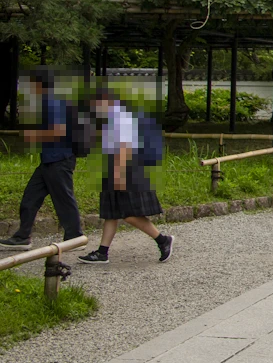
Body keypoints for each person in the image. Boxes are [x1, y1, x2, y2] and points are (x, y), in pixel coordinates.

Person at [78, 88, 172, 264]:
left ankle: (162, 240)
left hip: (126, 169)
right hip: (114, 167)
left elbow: (124, 148)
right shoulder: (110, 118)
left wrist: (118, 174)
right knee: (111, 212)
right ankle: (102, 252)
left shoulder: (120, 118)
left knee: (128, 213)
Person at [0, 69, 83, 250]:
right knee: (30, 197)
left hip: (59, 159)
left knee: (63, 199)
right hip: (49, 159)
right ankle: (22, 236)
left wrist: (34, 134)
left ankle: (75, 237)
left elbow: (59, 131)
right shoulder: (49, 101)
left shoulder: (53, 103)